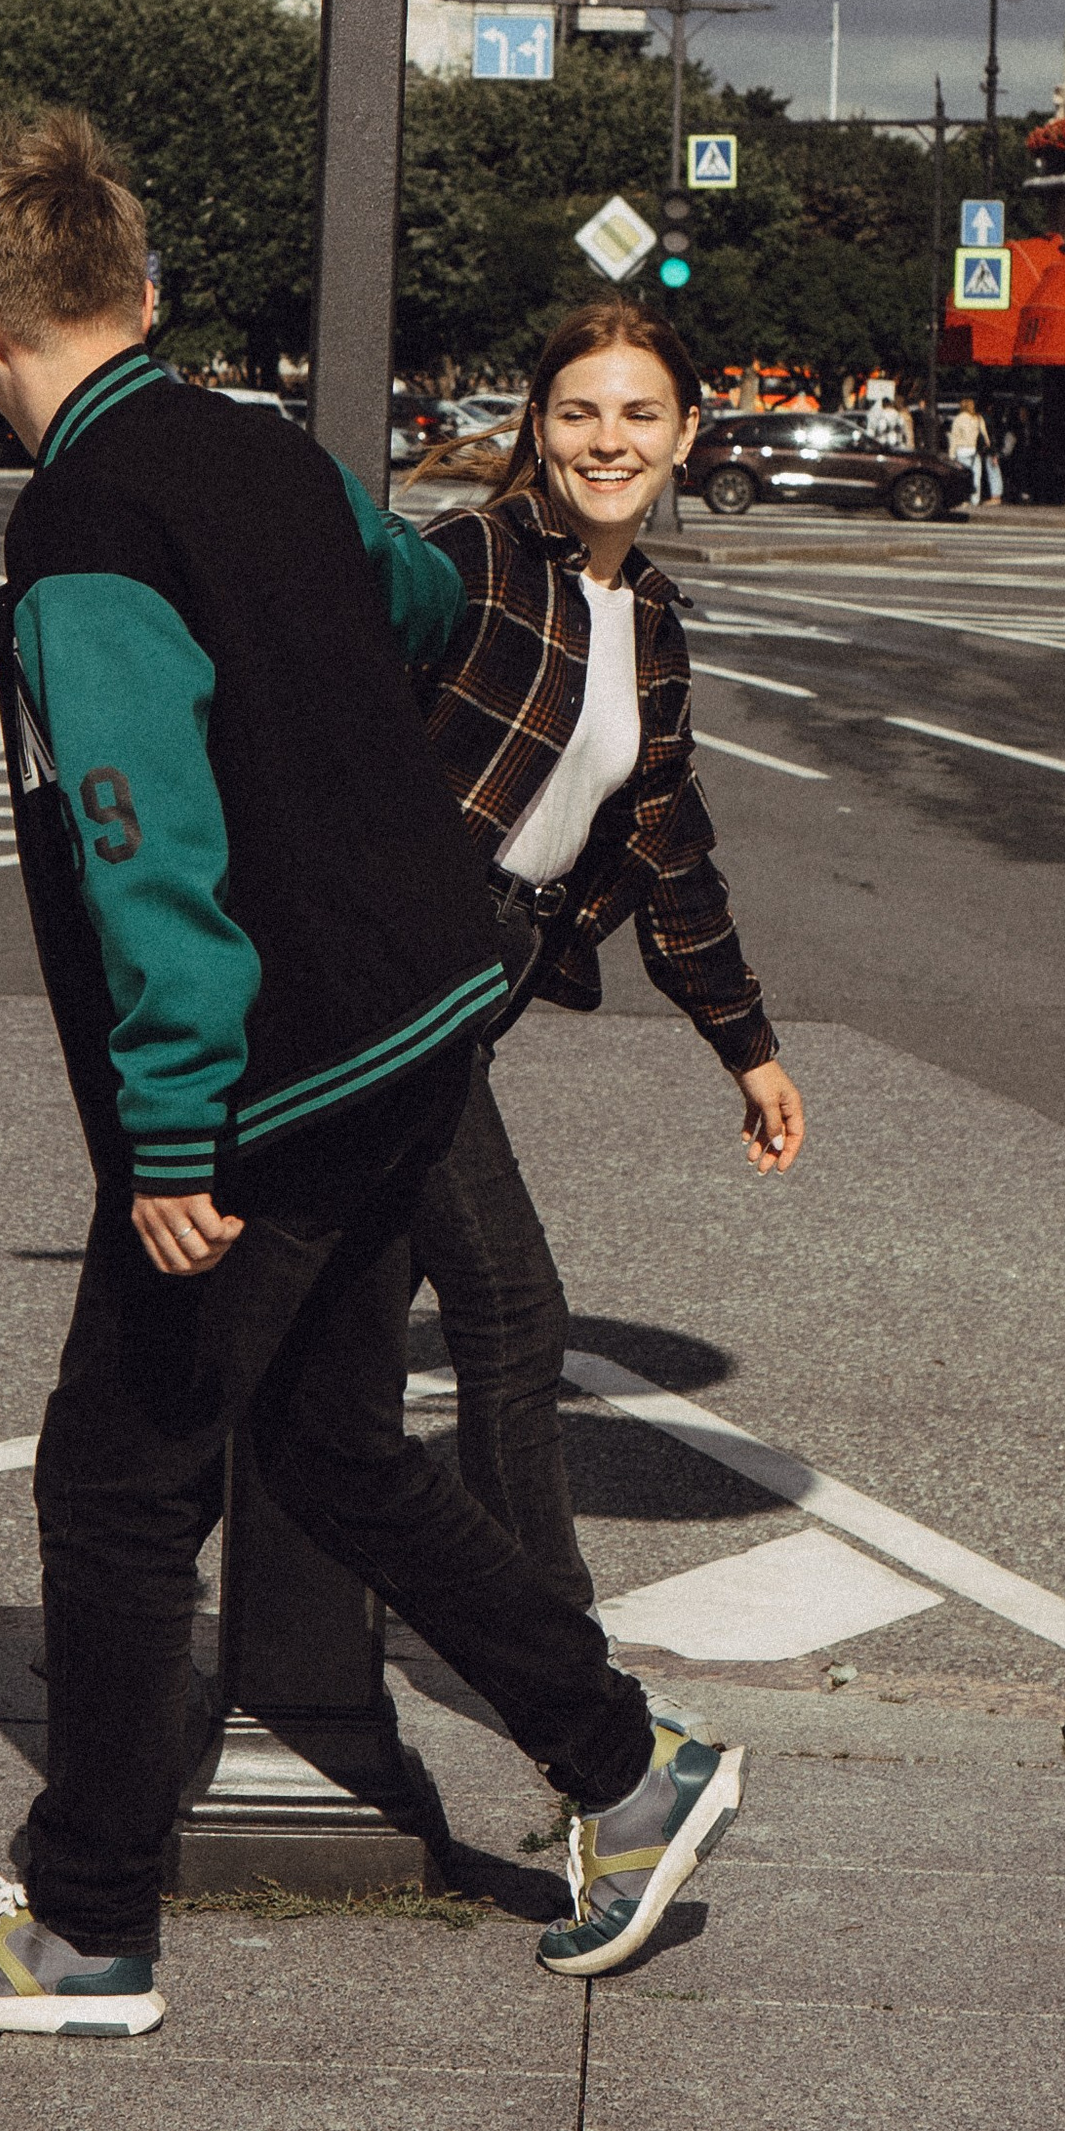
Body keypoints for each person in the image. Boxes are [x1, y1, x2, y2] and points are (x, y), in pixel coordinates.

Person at [0, 111, 743, 2041]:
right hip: (421, 1012)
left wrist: (174, 1128)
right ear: (146, 293)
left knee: (115, 1478)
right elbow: (417, 602)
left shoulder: (86, 521)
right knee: (332, 1444)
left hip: (276, 1068)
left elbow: (140, 837)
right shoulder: (258, 447)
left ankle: (86, 1924)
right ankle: (623, 1764)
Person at [406, 304, 804, 1621]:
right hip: (396, 982)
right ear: (536, 427)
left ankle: (149, 1595)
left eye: (640, 414)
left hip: (483, 982)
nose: (608, 440)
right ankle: (557, 1666)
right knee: (514, 1318)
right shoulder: (473, 561)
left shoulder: (648, 617)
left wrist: (746, 1046)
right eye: (578, 412)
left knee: (312, 1325)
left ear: (686, 434)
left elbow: (668, 845)